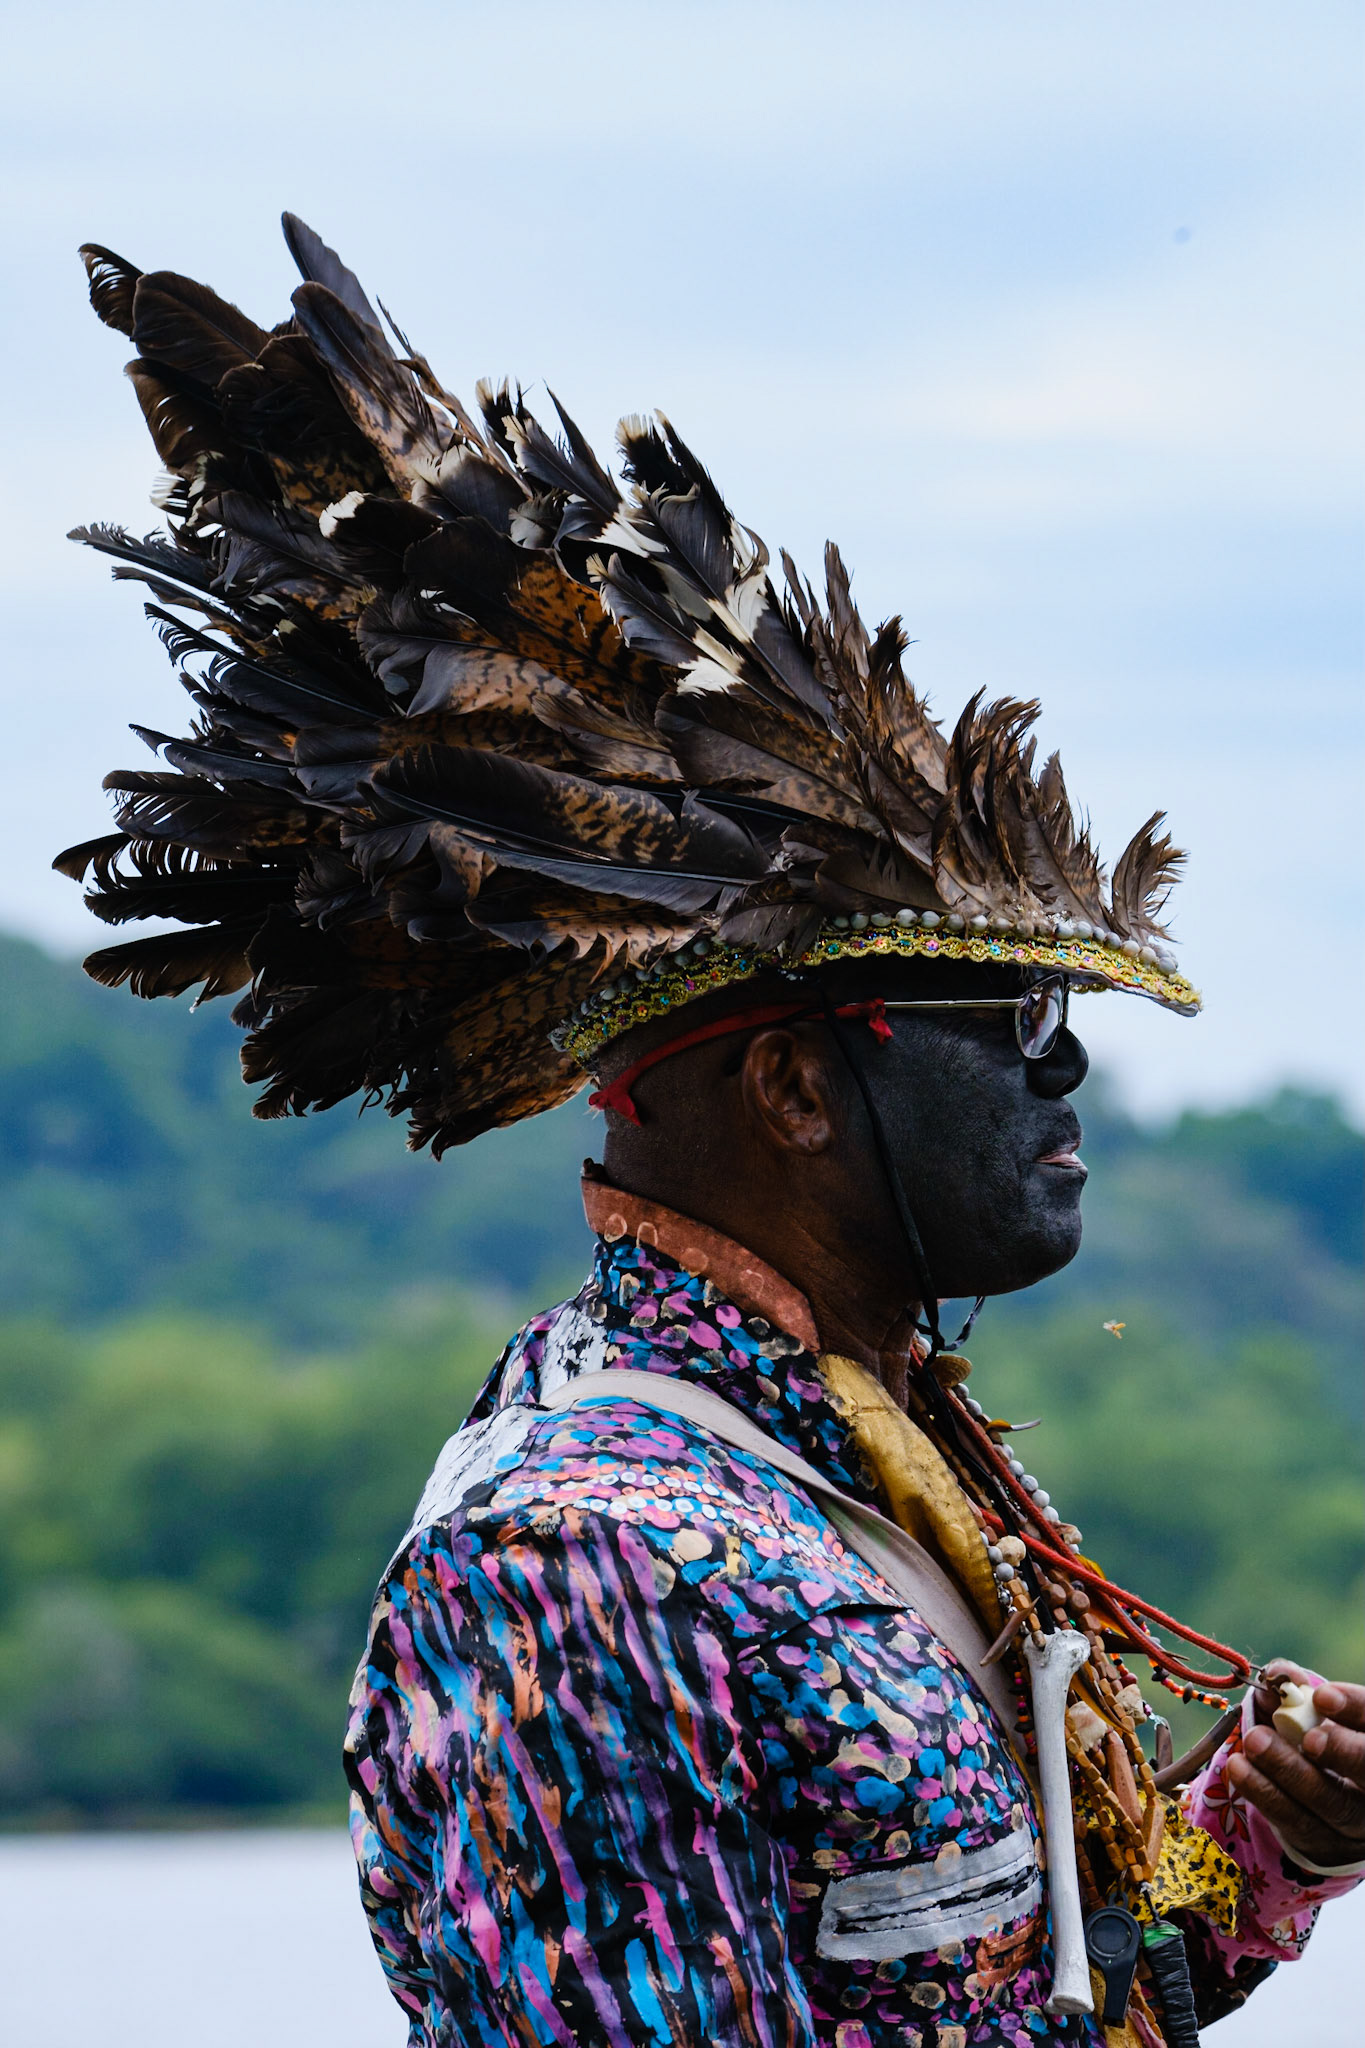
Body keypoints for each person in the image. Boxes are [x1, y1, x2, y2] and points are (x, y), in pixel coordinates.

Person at [59, 216, 1363, 2048]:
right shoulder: (577, 1558)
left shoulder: (859, 1462)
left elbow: (1029, 2004)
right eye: (1014, 1026)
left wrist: (1264, 1845)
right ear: (795, 1085)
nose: (1063, 1082)